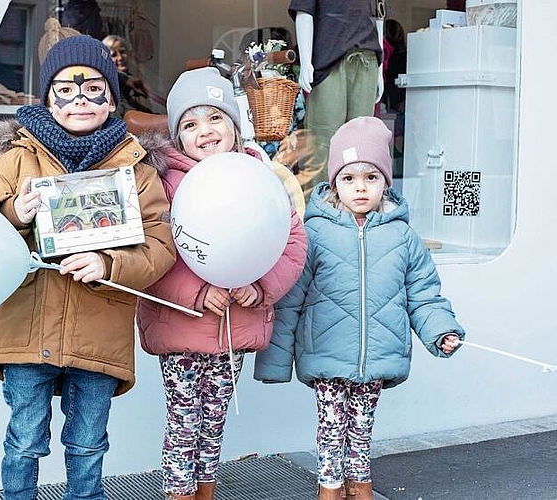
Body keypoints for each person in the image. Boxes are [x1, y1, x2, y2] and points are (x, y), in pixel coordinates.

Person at [0, 35, 176, 500]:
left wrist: (109, 263)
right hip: (27, 326)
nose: (80, 100)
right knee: (24, 442)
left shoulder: (138, 168)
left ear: (111, 98)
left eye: (94, 89)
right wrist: (13, 214)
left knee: (88, 445)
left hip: (98, 330)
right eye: (66, 90)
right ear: (47, 97)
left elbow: (160, 245)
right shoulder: (16, 159)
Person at [254, 116, 465, 500]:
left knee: (362, 426)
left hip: (377, 355)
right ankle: (331, 489)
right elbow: (291, 298)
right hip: (328, 353)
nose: (361, 188)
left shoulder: (402, 235)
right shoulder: (315, 232)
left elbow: (423, 293)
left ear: (386, 181)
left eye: (371, 177)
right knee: (332, 428)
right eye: (349, 178)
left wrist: (441, 331)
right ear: (334, 182)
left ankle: (360, 486)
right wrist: (275, 361)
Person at [136, 67, 308, 500]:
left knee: (213, 426)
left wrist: (263, 286)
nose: (205, 131)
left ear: (234, 125)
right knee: (183, 424)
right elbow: (154, 253)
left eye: (214, 118)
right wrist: (196, 292)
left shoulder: (260, 177)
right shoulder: (166, 184)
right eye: (190, 125)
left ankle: (205, 491)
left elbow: (291, 240)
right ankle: (179, 493)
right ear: (177, 137)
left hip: (236, 327)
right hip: (183, 329)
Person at [289, 0, 383, 203]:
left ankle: (357, 212)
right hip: (330, 59)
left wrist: (380, 70)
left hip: (367, 57)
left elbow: (379, 14)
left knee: (361, 144)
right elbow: (304, 11)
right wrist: (306, 62)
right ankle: (319, 212)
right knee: (324, 141)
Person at [102, 34, 154, 116]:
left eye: (122, 52)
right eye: (114, 55)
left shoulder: (134, 81)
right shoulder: (106, 83)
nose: (120, 58)